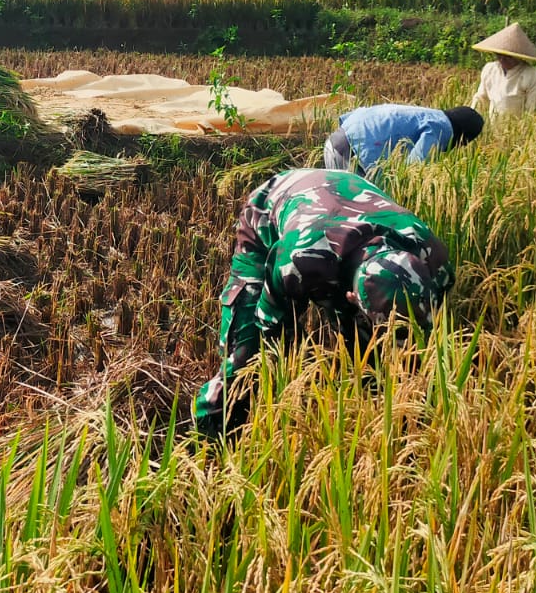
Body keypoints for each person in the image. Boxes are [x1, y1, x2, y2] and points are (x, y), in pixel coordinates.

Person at [190, 168, 452, 438]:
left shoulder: (433, 257)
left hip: (345, 198)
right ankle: (208, 435)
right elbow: (270, 326)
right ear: (351, 298)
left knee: (372, 354)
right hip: (276, 206)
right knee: (246, 354)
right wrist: (297, 372)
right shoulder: (299, 260)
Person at [323, 104, 483, 175]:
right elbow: (412, 167)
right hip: (348, 154)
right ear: (462, 138)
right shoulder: (441, 129)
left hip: (336, 141)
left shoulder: (431, 115)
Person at [470, 22, 536, 117]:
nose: (502, 59)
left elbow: (533, 112)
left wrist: (521, 125)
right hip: (493, 123)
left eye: (508, 57)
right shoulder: (490, 70)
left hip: (518, 125)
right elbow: (481, 98)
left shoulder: (533, 77)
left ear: (518, 56)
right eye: (499, 55)